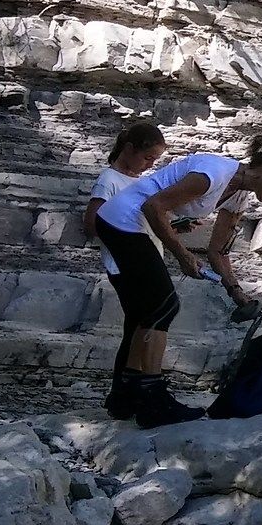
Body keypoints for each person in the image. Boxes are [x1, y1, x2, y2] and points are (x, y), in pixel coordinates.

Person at [93, 132, 262, 426]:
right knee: (163, 307)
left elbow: (218, 250)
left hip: (132, 225)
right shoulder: (212, 174)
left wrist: (236, 291)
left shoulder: (239, 195)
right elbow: (153, 206)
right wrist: (182, 256)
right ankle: (152, 398)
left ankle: (125, 394)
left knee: (144, 312)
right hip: (122, 219)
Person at [83, 117, 168, 417]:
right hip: (125, 264)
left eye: (153, 160)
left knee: (139, 325)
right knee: (141, 324)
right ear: (129, 148)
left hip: (146, 259)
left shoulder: (140, 181)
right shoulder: (109, 180)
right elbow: (92, 223)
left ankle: (125, 395)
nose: (148, 164)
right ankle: (127, 394)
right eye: (146, 157)